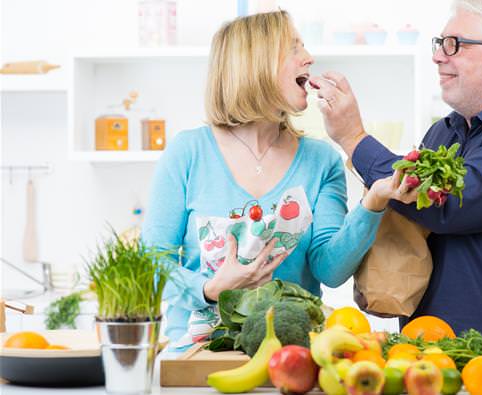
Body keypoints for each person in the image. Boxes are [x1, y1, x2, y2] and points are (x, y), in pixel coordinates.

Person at [310, 0, 482, 351]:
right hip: (430, 360)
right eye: (439, 44)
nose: (439, 56)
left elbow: (450, 204)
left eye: (455, 44)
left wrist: (353, 138)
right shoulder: (443, 133)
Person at [141, 11, 399, 348]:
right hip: (196, 355)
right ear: (254, 63)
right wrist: (210, 289)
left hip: (291, 354)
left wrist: (373, 203)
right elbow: (151, 263)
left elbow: (330, 269)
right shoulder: (188, 153)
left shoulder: (321, 160)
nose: (309, 58)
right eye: (294, 48)